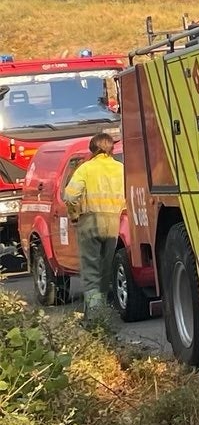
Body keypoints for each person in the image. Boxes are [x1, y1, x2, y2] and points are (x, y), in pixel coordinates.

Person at [63, 132, 123, 314]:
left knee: (91, 271)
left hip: (89, 222)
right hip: (114, 223)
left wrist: (74, 215)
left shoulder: (86, 169)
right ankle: (102, 309)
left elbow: (70, 195)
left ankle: (95, 316)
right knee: (105, 270)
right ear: (111, 148)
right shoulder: (121, 168)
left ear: (92, 149)